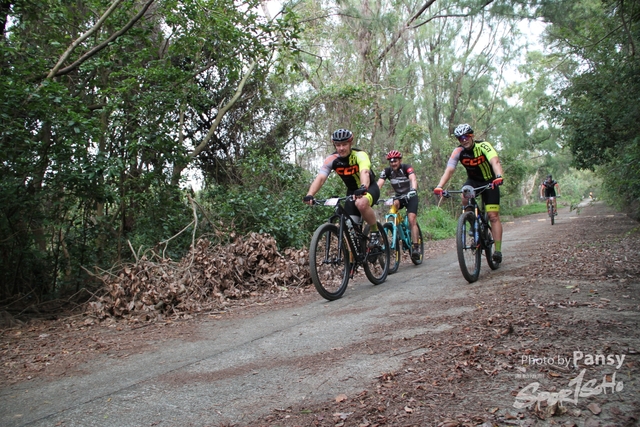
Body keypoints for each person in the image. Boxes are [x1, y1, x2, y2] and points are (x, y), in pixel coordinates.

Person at [433, 124, 505, 263]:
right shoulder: (458, 151)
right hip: (473, 182)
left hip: (490, 181)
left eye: (466, 136)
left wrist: (498, 176)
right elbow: (449, 170)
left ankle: (497, 251)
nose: (464, 140)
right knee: (464, 195)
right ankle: (472, 222)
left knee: (493, 216)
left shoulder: (483, 146)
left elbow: (494, 161)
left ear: (472, 136)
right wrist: (439, 186)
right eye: (460, 138)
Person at [303, 129, 382, 246]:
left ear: (350, 143)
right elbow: (320, 178)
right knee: (350, 230)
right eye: (338, 145)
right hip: (352, 192)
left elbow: (364, 172)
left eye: (344, 144)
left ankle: (375, 232)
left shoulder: (360, 155)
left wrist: (363, 187)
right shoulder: (331, 160)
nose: (341, 148)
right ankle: (356, 253)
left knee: (361, 203)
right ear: (334, 145)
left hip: (369, 187)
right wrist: (310, 194)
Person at [376, 150, 421, 260]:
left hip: (411, 196)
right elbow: (379, 184)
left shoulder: (406, 167)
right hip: (399, 197)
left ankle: (416, 247)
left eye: (395, 161)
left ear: (400, 160)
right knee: (393, 208)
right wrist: (373, 195)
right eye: (391, 162)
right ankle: (396, 229)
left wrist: (413, 189)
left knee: (412, 219)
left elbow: (413, 179)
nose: (393, 164)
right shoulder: (387, 171)